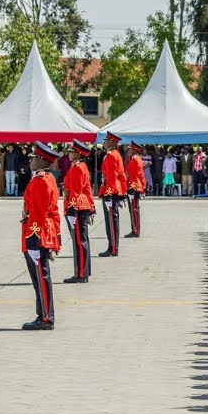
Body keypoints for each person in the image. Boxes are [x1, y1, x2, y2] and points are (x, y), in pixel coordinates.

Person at [21, 142, 62, 330]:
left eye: (34, 158)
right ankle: (43, 315)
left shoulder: (40, 181)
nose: (31, 161)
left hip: (37, 234)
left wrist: (33, 239)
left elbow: (38, 213)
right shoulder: (49, 178)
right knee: (40, 278)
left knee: (41, 278)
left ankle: (46, 318)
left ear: (43, 161)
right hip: (44, 232)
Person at [63, 141, 96, 283]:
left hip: (76, 207)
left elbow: (76, 191)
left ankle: (81, 274)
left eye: (72, 152)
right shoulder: (81, 166)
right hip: (82, 205)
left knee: (79, 241)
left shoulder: (77, 168)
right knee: (81, 240)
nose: (69, 154)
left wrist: (71, 209)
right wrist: (91, 207)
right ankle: (83, 272)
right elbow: (87, 189)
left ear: (78, 154)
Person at [97, 132, 126, 257]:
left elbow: (112, 176)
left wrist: (108, 193)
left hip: (110, 190)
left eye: (106, 140)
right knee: (112, 220)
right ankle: (113, 246)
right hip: (113, 189)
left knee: (111, 221)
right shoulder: (115, 154)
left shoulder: (111, 155)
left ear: (112, 142)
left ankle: (113, 248)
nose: (104, 143)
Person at [125, 141, 146, 237]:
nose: (128, 151)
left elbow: (138, 175)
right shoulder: (135, 159)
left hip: (133, 187)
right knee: (133, 210)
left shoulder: (135, 160)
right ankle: (134, 229)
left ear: (134, 150)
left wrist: (141, 189)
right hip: (133, 186)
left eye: (130, 149)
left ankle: (136, 230)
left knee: (134, 210)